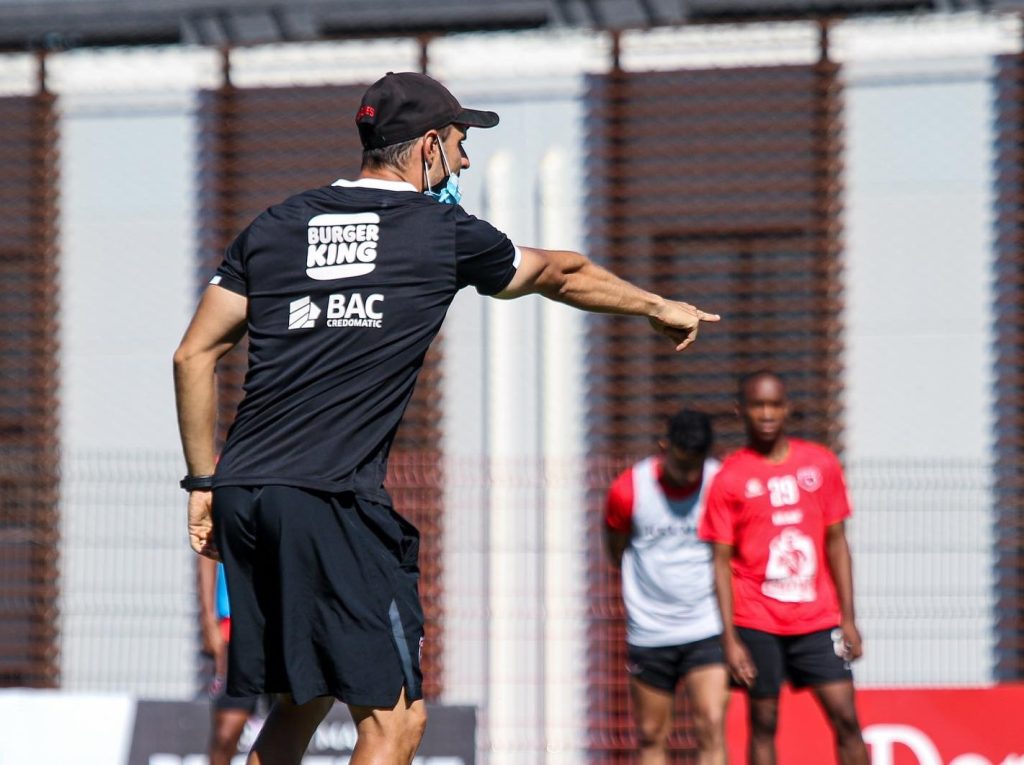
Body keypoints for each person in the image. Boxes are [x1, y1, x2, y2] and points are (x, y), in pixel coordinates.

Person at [173, 70, 719, 765]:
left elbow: (193, 355)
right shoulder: (437, 230)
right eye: (460, 144)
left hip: (249, 494)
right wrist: (655, 305)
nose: (463, 161)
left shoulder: (276, 225)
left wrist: (202, 485)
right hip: (330, 497)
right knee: (396, 725)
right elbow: (559, 272)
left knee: (302, 701)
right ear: (428, 145)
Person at [698, 371, 868, 765]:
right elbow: (720, 562)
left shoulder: (820, 464)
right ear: (743, 411)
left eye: (774, 404)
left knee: (846, 717)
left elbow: (836, 542)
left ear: (787, 408)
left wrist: (849, 618)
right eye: (758, 405)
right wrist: (730, 639)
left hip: (817, 619)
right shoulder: (730, 477)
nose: (767, 413)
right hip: (757, 620)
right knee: (764, 721)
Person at [604, 409, 729, 765]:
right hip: (651, 630)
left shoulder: (719, 483)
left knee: (711, 724)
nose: (688, 473)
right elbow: (616, 548)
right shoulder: (629, 489)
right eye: (681, 462)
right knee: (651, 734)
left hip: (707, 625)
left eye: (696, 465)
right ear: (665, 447)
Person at [197, 557, 267, 765]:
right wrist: (208, 620)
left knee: (291, 726)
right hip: (235, 628)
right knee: (226, 733)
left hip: (284, 626)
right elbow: (205, 553)